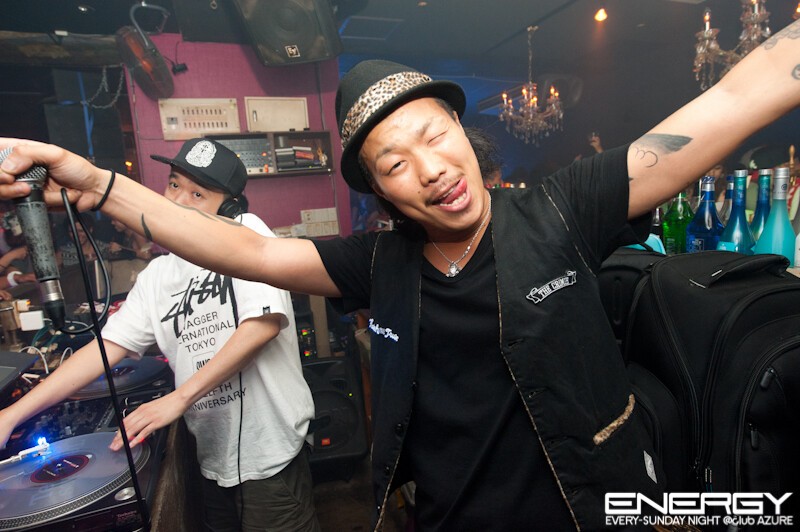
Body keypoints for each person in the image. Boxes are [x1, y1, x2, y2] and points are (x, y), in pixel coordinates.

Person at [0, 17, 799, 529]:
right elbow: (247, 251)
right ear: (380, 193)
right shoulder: (377, 264)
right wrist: (94, 181)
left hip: (583, 508)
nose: (432, 169)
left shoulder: (563, 208)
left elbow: (735, 97)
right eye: (394, 162)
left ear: (460, 128)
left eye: (434, 135)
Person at [0, 138, 319, 531]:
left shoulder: (248, 234)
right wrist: (12, 415)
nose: (178, 201)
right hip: (213, 455)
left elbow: (261, 326)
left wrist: (177, 399)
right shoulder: (157, 276)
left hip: (271, 453)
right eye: (174, 185)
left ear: (229, 207)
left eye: (198, 194)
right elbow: (105, 350)